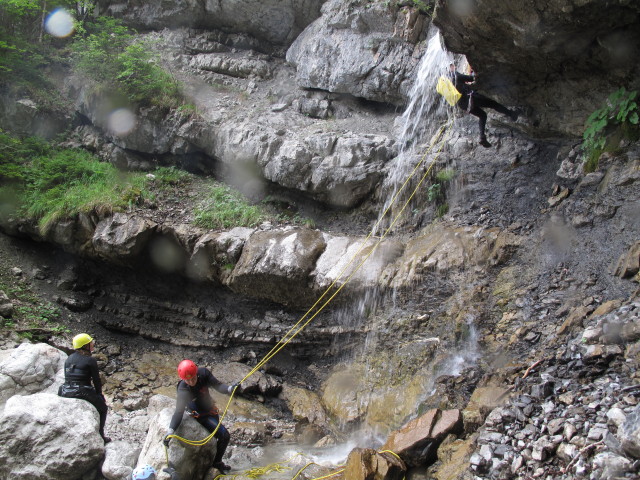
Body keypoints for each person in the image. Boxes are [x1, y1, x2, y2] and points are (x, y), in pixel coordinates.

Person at [164, 359, 240, 473]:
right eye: (188, 380)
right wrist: (170, 431)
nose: (191, 381)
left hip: (210, 410)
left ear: (196, 373)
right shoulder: (183, 390)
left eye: (193, 378)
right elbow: (179, 412)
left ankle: (213, 461)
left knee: (216, 437)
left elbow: (218, 386)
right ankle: (216, 464)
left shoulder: (203, 373)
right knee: (224, 435)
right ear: (183, 379)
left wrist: (230, 389)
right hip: (201, 416)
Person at [448, 63, 519, 148]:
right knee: (494, 104)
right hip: (471, 98)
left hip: (463, 104)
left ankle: (482, 137)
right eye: (453, 66)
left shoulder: (447, 81)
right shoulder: (455, 75)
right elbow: (471, 78)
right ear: (451, 67)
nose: (455, 67)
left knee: (482, 115)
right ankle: (512, 114)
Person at [58, 333, 110, 443]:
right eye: (90, 343)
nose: (93, 344)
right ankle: (101, 435)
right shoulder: (90, 360)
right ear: (85, 346)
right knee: (103, 409)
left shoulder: (69, 358)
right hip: (81, 391)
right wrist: (99, 395)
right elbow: (96, 380)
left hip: (65, 390)